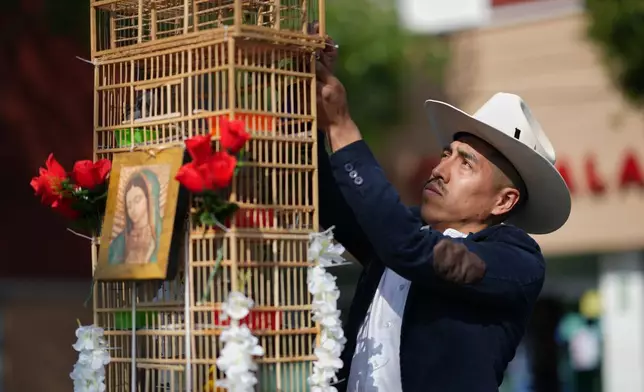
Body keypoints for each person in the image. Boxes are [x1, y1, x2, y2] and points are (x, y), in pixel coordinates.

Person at [315, 38, 571, 391]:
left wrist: (342, 127)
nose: (440, 168)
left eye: (465, 163)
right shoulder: (401, 232)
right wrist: (303, 87)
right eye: (446, 154)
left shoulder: (516, 260)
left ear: (504, 201)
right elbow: (324, 197)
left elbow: (410, 248)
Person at [108, 169, 162, 264]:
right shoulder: (119, 242)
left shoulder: (163, 234)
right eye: (129, 205)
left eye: (137, 200)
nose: (133, 209)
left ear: (149, 199)